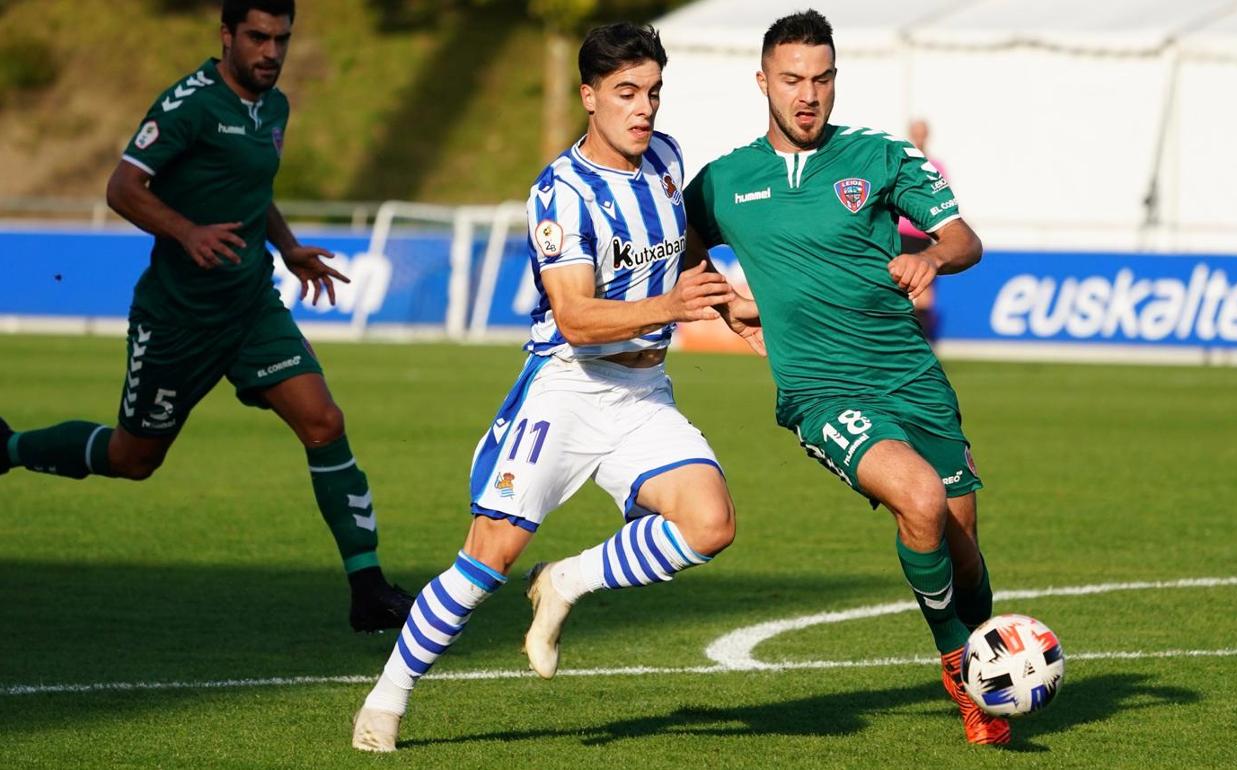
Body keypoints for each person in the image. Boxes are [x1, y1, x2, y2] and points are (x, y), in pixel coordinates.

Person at [351, 22, 750, 752]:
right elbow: (574, 314)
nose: (644, 109)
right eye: (627, 92)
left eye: (653, 92)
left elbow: (681, 244)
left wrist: (723, 298)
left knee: (710, 524)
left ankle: (566, 580)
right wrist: (675, 306)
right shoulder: (560, 193)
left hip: (644, 392)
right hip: (567, 388)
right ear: (588, 96)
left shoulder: (665, 159)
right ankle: (387, 698)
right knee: (486, 561)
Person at [0, 0, 414, 633]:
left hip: (250, 307)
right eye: (257, 37)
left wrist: (287, 245)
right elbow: (122, 188)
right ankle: (9, 447)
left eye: (282, 39)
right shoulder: (187, 104)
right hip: (177, 319)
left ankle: (368, 591)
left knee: (324, 422)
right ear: (226, 36)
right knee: (134, 457)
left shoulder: (274, 107)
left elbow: (253, 189)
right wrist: (187, 232)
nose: (271, 52)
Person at [682, 10, 1010, 746]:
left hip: (912, 379)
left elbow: (964, 238)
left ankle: (995, 664)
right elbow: (680, 248)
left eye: (821, 79)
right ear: (763, 82)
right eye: (792, 79)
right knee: (919, 499)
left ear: (835, 82)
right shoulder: (724, 181)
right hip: (820, 391)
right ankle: (961, 668)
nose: (808, 95)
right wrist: (723, 301)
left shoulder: (880, 157)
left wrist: (933, 258)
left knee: (963, 548)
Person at [898, 119, 945, 340]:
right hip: (899, 234)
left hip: (920, 237)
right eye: (915, 133)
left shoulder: (934, 166)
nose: (919, 137)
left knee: (924, 293)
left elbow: (943, 202)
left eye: (922, 133)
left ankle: (923, 343)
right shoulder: (900, 162)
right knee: (898, 290)